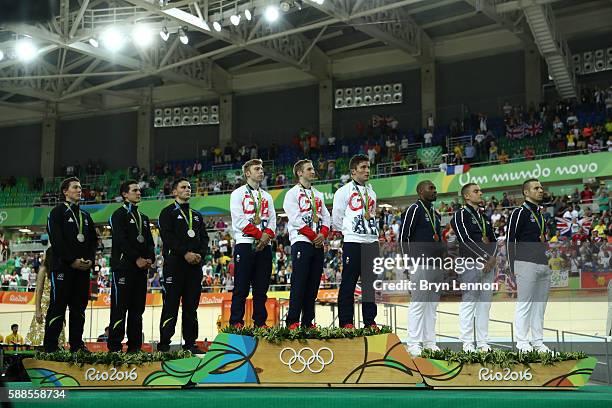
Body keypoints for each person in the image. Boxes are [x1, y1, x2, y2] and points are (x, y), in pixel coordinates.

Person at [44, 177, 97, 353]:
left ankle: (77, 345)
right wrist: (71, 260)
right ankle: (51, 347)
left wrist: (90, 261)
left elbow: (93, 242)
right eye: (75, 187)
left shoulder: (86, 216)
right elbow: (57, 241)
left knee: (78, 309)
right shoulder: (56, 213)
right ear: (65, 191)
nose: (79, 190)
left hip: (82, 270)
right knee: (57, 307)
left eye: (81, 187)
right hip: (62, 268)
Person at [157, 178, 209, 353]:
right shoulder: (167, 213)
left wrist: (200, 254)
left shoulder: (196, 215)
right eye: (183, 187)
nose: (188, 190)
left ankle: (190, 343)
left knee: (191, 307)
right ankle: (164, 344)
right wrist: (185, 253)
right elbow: (168, 237)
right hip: (175, 265)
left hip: (194, 267)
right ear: (174, 192)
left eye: (189, 187)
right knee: (170, 305)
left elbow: (204, 238)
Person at [332, 154, 379, 329]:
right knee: (349, 282)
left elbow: (372, 214)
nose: (367, 171)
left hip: (371, 241)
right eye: (363, 168)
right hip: (353, 241)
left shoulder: (372, 192)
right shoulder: (343, 191)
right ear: (353, 171)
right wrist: (348, 232)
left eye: (368, 167)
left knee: (369, 284)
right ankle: (346, 322)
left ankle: (370, 321)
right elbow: (336, 218)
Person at [108, 180, 155, 353]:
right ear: (125, 194)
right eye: (135, 190)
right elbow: (121, 241)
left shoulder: (143, 218)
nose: (139, 193)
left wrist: (150, 258)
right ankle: (114, 348)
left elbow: (149, 242)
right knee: (120, 309)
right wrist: (136, 258)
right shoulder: (117, 215)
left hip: (140, 270)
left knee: (137, 310)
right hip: (123, 268)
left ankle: (135, 347)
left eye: (139, 190)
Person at [283, 160, 331, 329]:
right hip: (301, 241)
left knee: (313, 285)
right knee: (299, 283)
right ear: (299, 173)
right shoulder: (292, 194)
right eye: (309, 169)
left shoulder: (318, 194)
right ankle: (292, 321)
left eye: (312, 168)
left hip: (317, 243)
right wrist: (314, 236)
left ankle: (308, 322)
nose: (313, 171)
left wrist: (323, 234)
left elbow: (326, 216)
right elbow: (295, 219)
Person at [507, 178, 553, 353]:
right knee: (525, 304)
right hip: (525, 264)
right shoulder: (519, 213)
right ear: (526, 192)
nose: (541, 190)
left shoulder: (540, 215)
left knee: (540, 306)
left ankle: (538, 342)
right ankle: (522, 342)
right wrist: (512, 267)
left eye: (541, 187)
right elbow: (511, 240)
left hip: (542, 265)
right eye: (536, 188)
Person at [229, 159, 276, 328]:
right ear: (247, 173)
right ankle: (236, 322)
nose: (261, 171)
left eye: (262, 168)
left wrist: (266, 237)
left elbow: (273, 220)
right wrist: (260, 235)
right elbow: (239, 220)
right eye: (257, 169)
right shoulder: (238, 194)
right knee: (241, 287)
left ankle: (260, 322)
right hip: (245, 243)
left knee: (261, 289)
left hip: (265, 246)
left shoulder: (267, 196)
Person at [450, 183, 497, 352]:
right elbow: (465, 239)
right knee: (469, 303)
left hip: (488, 264)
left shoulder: (484, 217)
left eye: (480, 190)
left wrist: (492, 258)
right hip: (469, 263)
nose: (480, 193)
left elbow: (493, 240)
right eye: (476, 191)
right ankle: (468, 343)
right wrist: (486, 257)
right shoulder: (459, 216)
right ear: (467, 196)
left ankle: (484, 343)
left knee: (485, 304)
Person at [400, 180, 443, 356]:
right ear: (420, 191)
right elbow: (404, 236)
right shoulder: (414, 209)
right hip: (419, 262)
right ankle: (414, 343)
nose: (434, 190)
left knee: (432, 305)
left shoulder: (436, 214)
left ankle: (429, 341)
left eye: (435, 187)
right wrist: (408, 263)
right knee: (418, 303)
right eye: (430, 188)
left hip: (435, 265)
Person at [25, 247, 66, 347]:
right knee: (41, 339)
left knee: (57, 339)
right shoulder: (43, 270)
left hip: (57, 306)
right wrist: (38, 310)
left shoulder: (59, 270)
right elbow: (38, 291)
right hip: (44, 306)